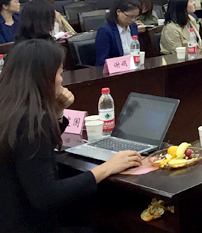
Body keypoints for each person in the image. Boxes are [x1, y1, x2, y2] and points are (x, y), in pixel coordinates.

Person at [0, 39, 143, 233]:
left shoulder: (9, 110)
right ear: (44, 76)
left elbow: (34, 152)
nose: (61, 80)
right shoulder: (32, 121)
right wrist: (107, 167)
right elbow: (45, 195)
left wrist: (57, 112)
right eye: (59, 73)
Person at [95, 0, 140, 66]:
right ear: (118, 12)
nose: (133, 20)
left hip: (133, 66)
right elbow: (102, 61)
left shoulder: (133, 26)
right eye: (130, 16)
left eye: (135, 17)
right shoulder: (105, 31)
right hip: (116, 69)